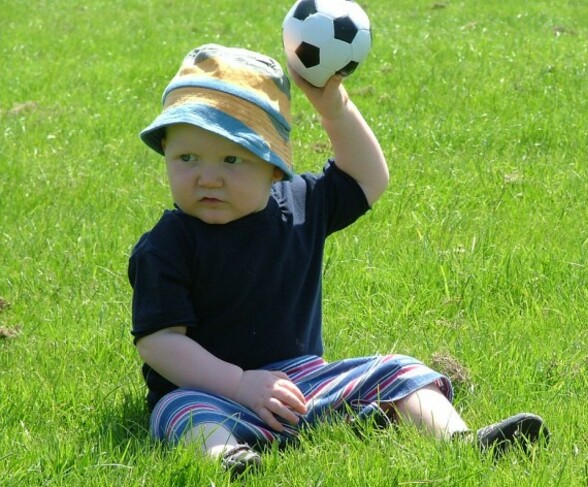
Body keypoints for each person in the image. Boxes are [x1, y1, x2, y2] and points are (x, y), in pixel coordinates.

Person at [128, 44, 549, 476]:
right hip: (211, 391)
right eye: (187, 158)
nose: (207, 177)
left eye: (232, 159)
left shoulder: (300, 205)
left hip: (305, 383)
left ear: (274, 166)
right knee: (178, 410)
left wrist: (334, 107)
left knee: (399, 369)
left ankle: (461, 441)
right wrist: (239, 383)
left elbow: (368, 178)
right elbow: (160, 342)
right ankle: (228, 459)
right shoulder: (167, 245)